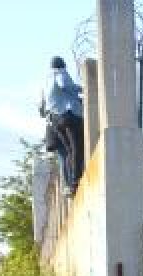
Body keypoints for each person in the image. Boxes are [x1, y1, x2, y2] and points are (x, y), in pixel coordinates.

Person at [39, 56, 84, 194]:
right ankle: (75, 181)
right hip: (68, 115)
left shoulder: (45, 81)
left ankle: (70, 183)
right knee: (77, 148)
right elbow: (65, 84)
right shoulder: (60, 74)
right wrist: (83, 87)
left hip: (55, 121)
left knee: (69, 152)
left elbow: (41, 107)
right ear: (62, 66)